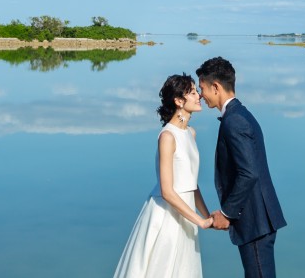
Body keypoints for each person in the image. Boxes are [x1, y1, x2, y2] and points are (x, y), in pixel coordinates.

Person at [113, 73, 214, 278]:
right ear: (178, 101)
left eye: (197, 91)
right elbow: (167, 191)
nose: (199, 96)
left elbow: (191, 184)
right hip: (167, 214)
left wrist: (206, 215)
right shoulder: (167, 136)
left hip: (187, 212)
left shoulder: (191, 133)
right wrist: (200, 221)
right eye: (192, 92)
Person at [197, 56, 286, 278]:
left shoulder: (234, 121)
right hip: (257, 219)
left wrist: (227, 213)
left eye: (202, 88)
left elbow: (249, 173)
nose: (201, 95)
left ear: (215, 87)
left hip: (254, 220)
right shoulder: (240, 114)